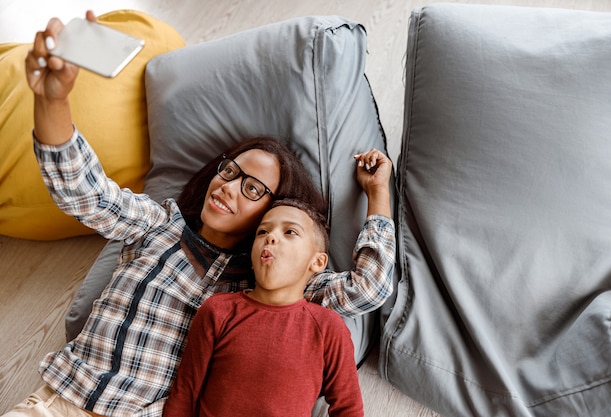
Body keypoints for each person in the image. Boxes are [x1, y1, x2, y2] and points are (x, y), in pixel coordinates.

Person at [6, 10, 395, 417]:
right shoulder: (158, 225)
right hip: (62, 403)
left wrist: (377, 193)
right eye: (229, 171)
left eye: (251, 189)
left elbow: (368, 289)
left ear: (272, 212)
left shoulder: (262, 285)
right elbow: (85, 194)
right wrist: (52, 99)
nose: (228, 186)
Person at [164, 198, 364, 417]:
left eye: (290, 232)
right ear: (252, 257)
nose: (271, 237)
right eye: (262, 232)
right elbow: (186, 392)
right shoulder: (218, 310)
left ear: (317, 262)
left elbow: (348, 409)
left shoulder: (327, 328)